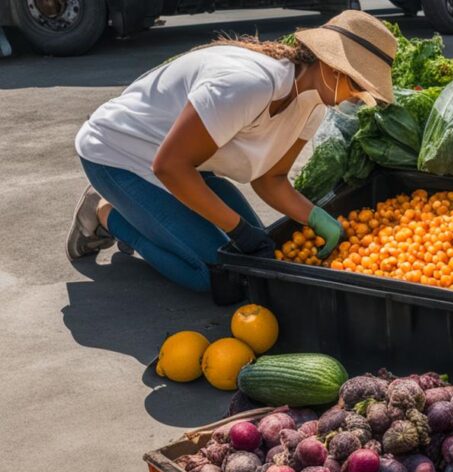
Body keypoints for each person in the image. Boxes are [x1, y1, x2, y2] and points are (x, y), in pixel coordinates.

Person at [68, 11, 396, 292]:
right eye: (360, 87)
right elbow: (170, 166)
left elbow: (272, 179)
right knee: (214, 272)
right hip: (117, 152)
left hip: (186, 162)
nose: (358, 98)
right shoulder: (247, 84)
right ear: (333, 68)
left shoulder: (312, 105)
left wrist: (317, 218)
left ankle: (146, 214)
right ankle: (105, 213)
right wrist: (238, 230)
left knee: (252, 263)